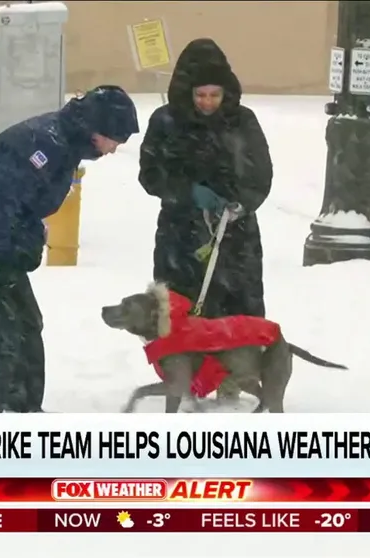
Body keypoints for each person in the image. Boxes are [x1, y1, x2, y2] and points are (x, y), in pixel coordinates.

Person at [0, 85, 139, 413]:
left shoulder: (65, 144)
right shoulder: (44, 145)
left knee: (25, 323)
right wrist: (18, 251)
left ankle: (22, 410)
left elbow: (19, 210)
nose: (114, 149)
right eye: (116, 139)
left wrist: (26, 240)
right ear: (99, 128)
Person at [138, 38, 273, 401]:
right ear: (187, 91)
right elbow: (150, 174)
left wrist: (242, 204)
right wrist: (188, 192)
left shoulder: (242, 122)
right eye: (201, 95)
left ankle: (234, 377)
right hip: (181, 233)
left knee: (236, 304)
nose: (208, 103)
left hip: (235, 234)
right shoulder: (166, 122)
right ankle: (183, 379)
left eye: (215, 95)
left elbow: (261, 175)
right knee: (183, 305)